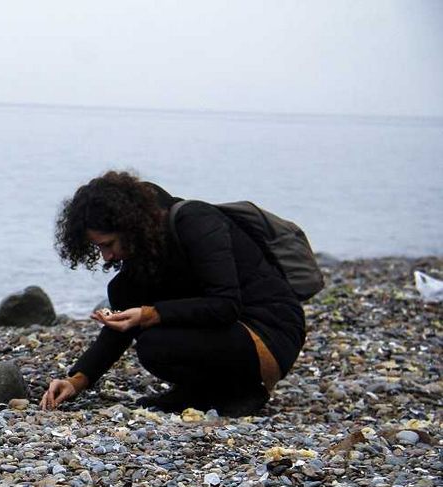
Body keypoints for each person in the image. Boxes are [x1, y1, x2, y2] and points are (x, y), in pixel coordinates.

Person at [41, 171, 305, 416]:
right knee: (130, 304)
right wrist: (76, 380)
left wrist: (150, 315)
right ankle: (199, 393)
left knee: (156, 344)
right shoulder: (144, 257)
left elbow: (225, 305)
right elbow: (119, 330)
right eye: (99, 248)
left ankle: (242, 391)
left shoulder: (197, 222)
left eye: (108, 245)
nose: (106, 256)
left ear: (131, 226)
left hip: (269, 333)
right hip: (228, 335)